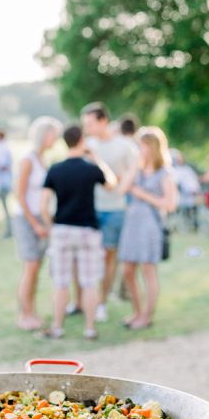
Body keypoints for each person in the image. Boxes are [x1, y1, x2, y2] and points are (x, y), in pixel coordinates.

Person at [41, 123, 117, 340]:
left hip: (62, 229)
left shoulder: (55, 169)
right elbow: (111, 184)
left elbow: (43, 205)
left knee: (61, 281)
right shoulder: (90, 168)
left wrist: (50, 226)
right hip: (87, 230)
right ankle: (90, 328)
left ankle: (57, 327)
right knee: (89, 281)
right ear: (82, 141)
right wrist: (97, 159)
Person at [81, 102, 137, 323]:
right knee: (89, 260)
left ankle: (102, 302)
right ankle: (84, 302)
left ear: (103, 121)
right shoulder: (86, 145)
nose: (87, 128)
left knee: (108, 258)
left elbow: (132, 174)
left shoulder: (123, 146)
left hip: (115, 209)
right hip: (91, 209)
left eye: (90, 123)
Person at [118, 127, 177, 330]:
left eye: (142, 145)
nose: (139, 149)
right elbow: (122, 189)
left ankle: (147, 316)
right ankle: (136, 311)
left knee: (148, 271)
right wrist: (134, 167)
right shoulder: (138, 170)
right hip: (132, 224)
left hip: (150, 225)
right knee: (127, 270)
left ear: (152, 146)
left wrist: (143, 195)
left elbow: (170, 204)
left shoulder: (164, 173)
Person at [13, 116, 62, 331]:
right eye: (54, 134)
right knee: (30, 266)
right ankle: (25, 314)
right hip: (26, 218)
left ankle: (32, 311)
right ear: (46, 134)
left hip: (39, 218)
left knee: (37, 267)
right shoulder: (28, 159)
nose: (57, 139)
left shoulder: (42, 160)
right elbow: (20, 195)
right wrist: (34, 223)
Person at [171, 148, 202, 231]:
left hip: (193, 194)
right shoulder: (173, 170)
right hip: (181, 196)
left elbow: (194, 182)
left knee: (196, 205)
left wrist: (195, 191)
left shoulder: (187, 169)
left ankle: (194, 224)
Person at [0, 129, 13, 239]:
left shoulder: (3, 148)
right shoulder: (2, 147)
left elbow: (4, 165)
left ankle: (9, 230)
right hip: (2, 182)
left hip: (4, 183)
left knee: (6, 208)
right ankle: (8, 230)